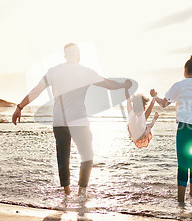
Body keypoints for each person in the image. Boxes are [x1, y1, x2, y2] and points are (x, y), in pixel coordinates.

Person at [12, 43, 129, 199]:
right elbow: (108, 84)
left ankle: (67, 194)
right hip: (79, 121)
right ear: (78, 54)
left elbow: (36, 91)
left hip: (59, 121)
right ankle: (81, 192)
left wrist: (20, 107)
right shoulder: (86, 72)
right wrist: (123, 85)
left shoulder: (54, 71)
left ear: (65, 55)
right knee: (87, 156)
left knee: (63, 157)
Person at [150, 50, 192, 204]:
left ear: (185, 70)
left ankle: (181, 203)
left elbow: (164, 103)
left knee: (182, 164)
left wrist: (154, 95)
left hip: (186, 127)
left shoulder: (180, 85)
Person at [125, 84, 159, 148]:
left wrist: (126, 89)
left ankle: (154, 118)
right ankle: (154, 118)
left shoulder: (131, 113)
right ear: (144, 109)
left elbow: (128, 100)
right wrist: (154, 96)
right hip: (141, 135)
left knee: (147, 126)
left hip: (134, 134)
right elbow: (151, 106)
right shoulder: (143, 117)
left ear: (133, 107)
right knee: (149, 126)